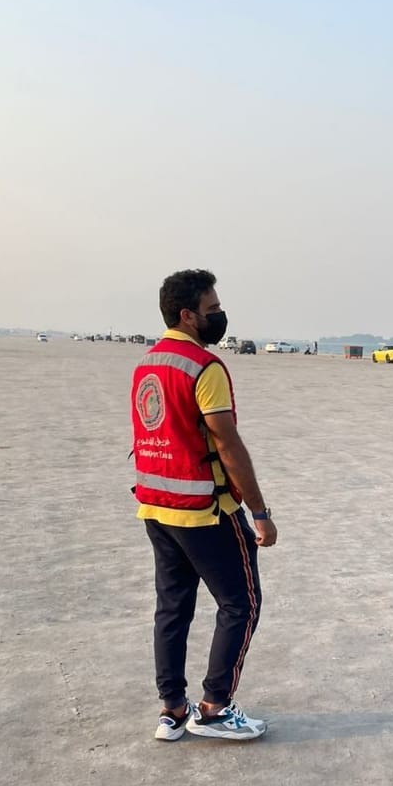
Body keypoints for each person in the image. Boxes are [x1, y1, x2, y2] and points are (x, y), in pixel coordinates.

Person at [131, 269, 277, 742]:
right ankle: (214, 707)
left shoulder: (148, 364)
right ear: (188, 315)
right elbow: (227, 443)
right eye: (212, 309)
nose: (220, 315)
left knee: (172, 609)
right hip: (204, 510)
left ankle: (172, 709)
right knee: (242, 603)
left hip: (156, 506)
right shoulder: (203, 367)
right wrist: (259, 512)